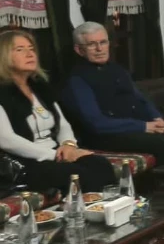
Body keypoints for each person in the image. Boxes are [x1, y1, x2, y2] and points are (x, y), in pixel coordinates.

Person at [61, 21, 164, 165]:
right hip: (106, 135)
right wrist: (143, 126)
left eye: (103, 42)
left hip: (139, 126)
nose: (99, 49)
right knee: (163, 144)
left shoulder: (117, 69)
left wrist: (156, 117)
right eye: (92, 44)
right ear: (79, 50)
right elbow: (96, 123)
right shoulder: (76, 79)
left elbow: (140, 98)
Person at [0, 30, 115, 194]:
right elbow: (6, 140)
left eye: (31, 49)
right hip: (26, 162)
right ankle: (89, 209)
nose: (29, 54)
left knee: (100, 165)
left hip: (56, 153)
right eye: (20, 49)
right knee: (78, 175)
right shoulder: (2, 93)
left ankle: (112, 208)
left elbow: (62, 124)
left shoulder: (40, 86)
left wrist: (68, 145)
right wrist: (55, 155)